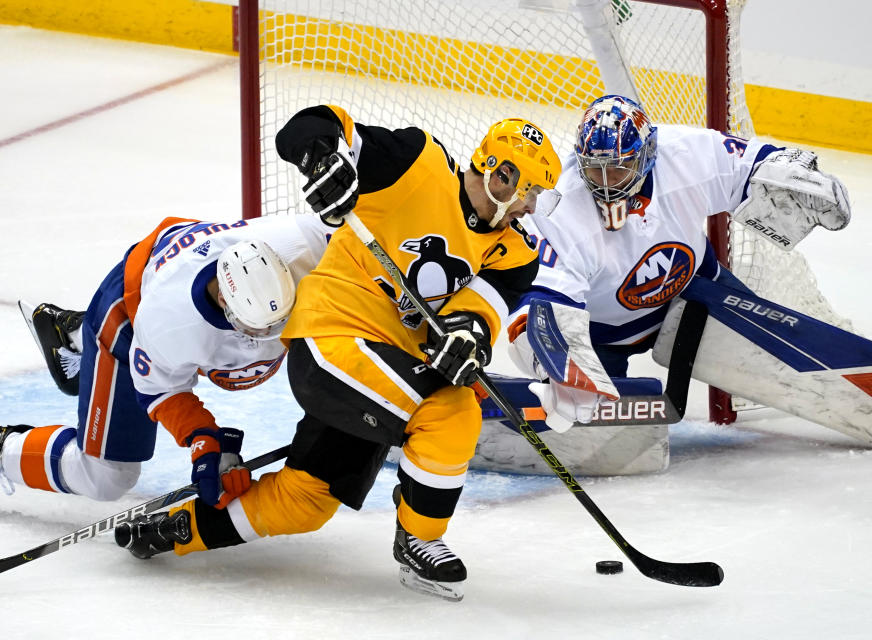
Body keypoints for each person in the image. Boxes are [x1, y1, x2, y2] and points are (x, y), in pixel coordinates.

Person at [114, 105, 562, 602]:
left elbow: (479, 312)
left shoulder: (516, 252)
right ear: (501, 175)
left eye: (541, 195)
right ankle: (421, 538)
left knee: (305, 501)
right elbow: (316, 123)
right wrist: (320, 154)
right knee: (450, 412)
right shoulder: (418, 163)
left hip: (388, 369)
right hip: (332, 340)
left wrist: (468, 335)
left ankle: (173, 530)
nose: (531, 205)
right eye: (530, 190)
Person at [506, 94, 872, 455]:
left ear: (647, 156)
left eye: (619, 167)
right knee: (594, 435)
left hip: (694, 296)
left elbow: (754, 161)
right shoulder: (561, 207)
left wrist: (791, 171)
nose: (605, 182)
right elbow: (546, 310)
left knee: (798, 351)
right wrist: (568, 375)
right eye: (594, 168)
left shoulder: (685, 153)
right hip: (600, 331)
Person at [0, 214, 330, 508]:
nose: (272, 335)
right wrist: (204, 441)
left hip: (169, 269)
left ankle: (74, 335)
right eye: (256, 328)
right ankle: (5, 447)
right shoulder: (169, 324)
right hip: (128, 321)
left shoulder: (302, 243)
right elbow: (160, 390)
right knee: (105, 476)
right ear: (222, 299)